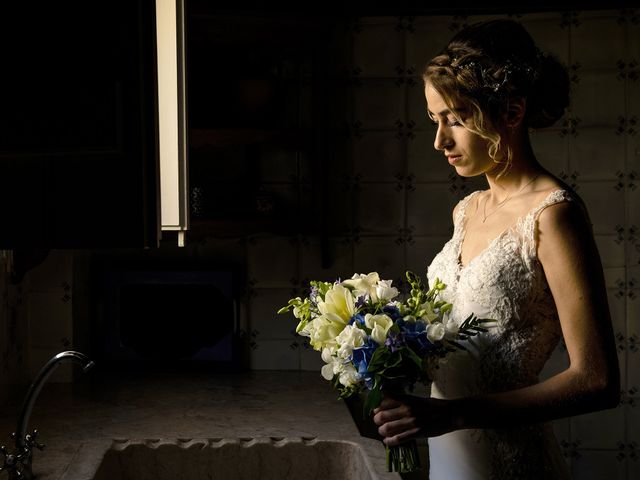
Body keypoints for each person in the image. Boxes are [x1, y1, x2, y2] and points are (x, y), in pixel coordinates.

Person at [372, 19, 620, 479]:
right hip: (450, 457)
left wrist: (454, 415)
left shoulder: (553, 214)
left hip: (511, 462)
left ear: (511, 112)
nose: (440, 141)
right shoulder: (466, 210)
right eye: (435, 119)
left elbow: (597, 380)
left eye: (456, 119)